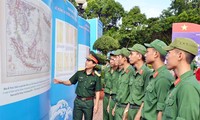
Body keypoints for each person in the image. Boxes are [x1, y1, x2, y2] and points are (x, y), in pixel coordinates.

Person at [54, 51, 102, 120]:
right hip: (78, 101)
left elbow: (97, 91)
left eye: (89, 61)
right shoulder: (79, 73)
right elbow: (70, 82)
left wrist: (97, 105)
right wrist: (61, 82)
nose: (86, 62)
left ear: (94, 64)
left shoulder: (96, 76)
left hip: (88, 103)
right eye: (86, 60)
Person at [162, 38, 200, 120]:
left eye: (169, 53)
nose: (167, 58)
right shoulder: (181, 84)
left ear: (180, 56)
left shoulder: (188, 87)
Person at [142, 39, 175, 120]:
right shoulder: (154, 74)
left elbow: (161, 111)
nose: (145, 55)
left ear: (156, 54)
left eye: (147, 52)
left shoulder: (163, 77)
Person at [128, 44, 152, 120]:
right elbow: (132, 93)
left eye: (131, 54)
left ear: (139, 56)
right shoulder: (134, 72)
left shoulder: (147, 72)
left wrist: (139, 114)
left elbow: (146, 96)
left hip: (139, 110)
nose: (129, 56)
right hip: (131, 109)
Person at [112, 48, 135, 120]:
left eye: (119, 57)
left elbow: (132, 92)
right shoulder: (122, 72)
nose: (117, 59)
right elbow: (120, 91)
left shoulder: (131, 71)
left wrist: (127, 110)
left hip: (125, 107)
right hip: (119, 106)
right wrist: (115, 106)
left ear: (124, 58)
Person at [103, 52, 119, 120]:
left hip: (115, 98)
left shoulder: (120, 72)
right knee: (105, 116)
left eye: (113, 59)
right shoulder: (107, 70)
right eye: (111, 59)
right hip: (106, 96)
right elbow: (104, 81)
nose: (111, 61)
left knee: (113, 116)